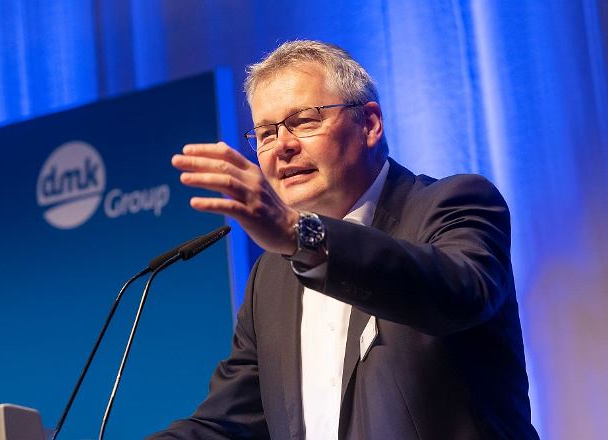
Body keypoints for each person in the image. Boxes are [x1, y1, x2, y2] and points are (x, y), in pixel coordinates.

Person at [148, 40, 539, 439]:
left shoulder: (455, 203)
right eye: (265, 133)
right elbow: (227, 424)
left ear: (369, 124)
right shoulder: (271, 275)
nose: (283, 146)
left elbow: (457, 294)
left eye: (304, 121)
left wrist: (303, 236)